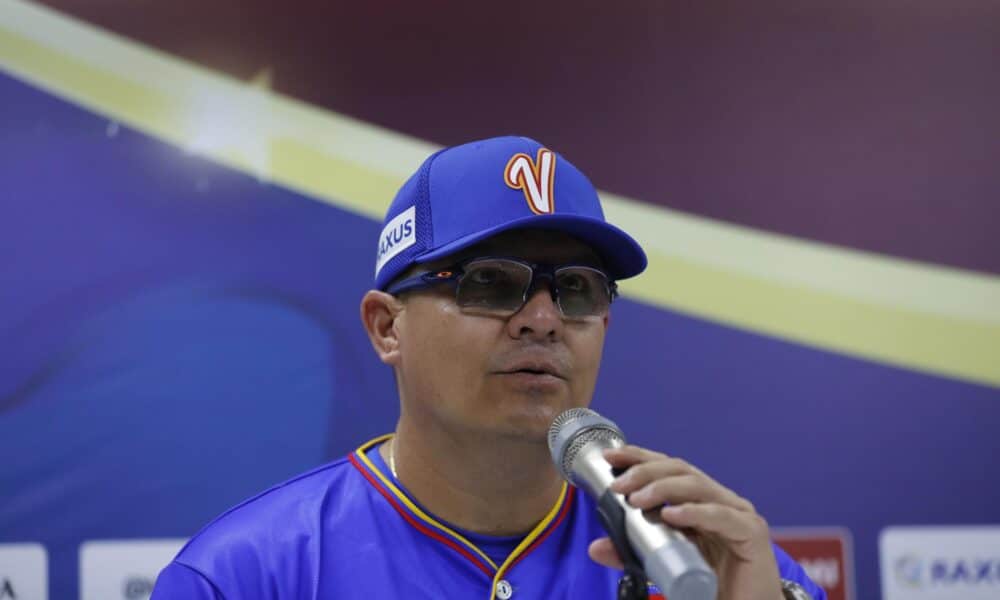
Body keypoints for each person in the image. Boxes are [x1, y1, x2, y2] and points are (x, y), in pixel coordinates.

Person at [151, 136, 825, 599]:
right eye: (491, 282)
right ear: (388, 327)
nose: (543, 318)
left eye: (578, 288)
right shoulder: (247, 574)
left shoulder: (702, 562)